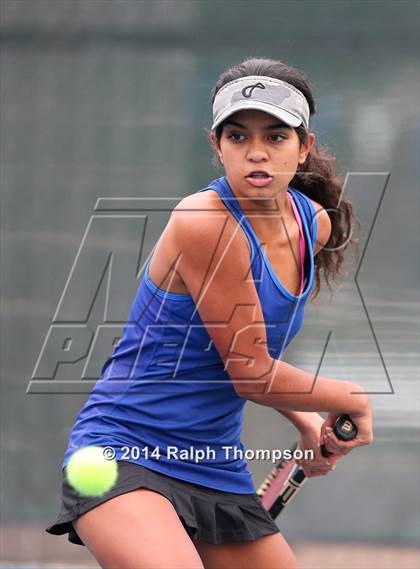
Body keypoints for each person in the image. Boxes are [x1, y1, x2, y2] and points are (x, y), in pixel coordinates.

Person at [46, 56, 373, 569]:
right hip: (124, 455)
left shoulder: (313, 226)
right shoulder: (204, 223)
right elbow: (251, 374)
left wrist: (307, 419)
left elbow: (247, 350)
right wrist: (351, 398)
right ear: (216, 146)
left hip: (213, 466)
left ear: (304, 146)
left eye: (276, 136)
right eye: (238, 137)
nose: (256, 153)